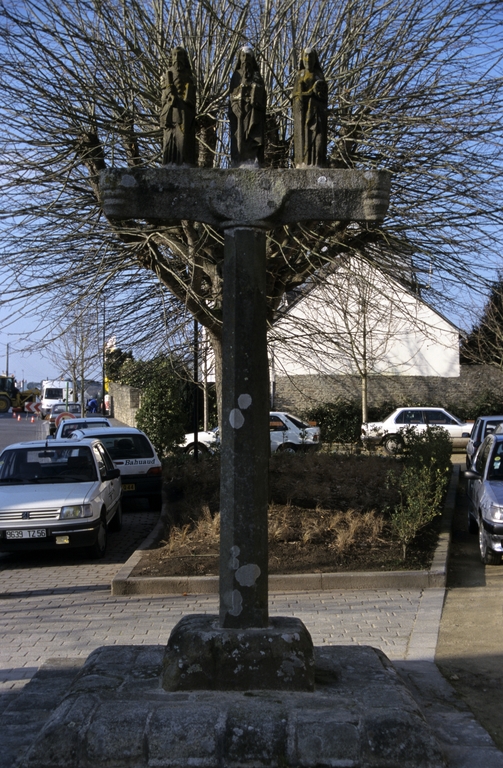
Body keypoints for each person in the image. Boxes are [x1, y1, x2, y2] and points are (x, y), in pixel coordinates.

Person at [229, 46, 267, 166]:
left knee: (253, 136)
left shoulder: (256, 76)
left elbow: (262, 93)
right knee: (239, 138)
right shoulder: (236, 76)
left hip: (253, 111)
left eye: (248, 56)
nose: (246, 59)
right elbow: (232, 94)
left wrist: (255, 89)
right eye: (243, 56)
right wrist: (235, 105)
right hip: (239, 112)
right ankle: (239, 159)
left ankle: (253, 159)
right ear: (240, 58)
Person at [160, 46, 196, 165]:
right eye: (174, 55)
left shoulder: (188, 74)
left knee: (185, 138)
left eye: (179, 55)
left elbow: (191, 92)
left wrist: (187, 96)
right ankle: (171, 161)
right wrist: (169, 95)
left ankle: (184, 161)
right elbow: (164, 94)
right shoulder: (168, 74)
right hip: (171, 110)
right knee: (171, 137)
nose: (177, 58)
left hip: (185, 111)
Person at [293, 48, 328, 167]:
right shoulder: (300, 75)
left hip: (317, 112)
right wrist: (306, 95)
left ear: (315, 59)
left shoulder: (319, 75)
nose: (308, 59)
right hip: (303, 114)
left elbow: (323, 94)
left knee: (318, 138)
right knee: (304, 140)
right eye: (306, 56)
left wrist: (315, 96)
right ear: (302, 59)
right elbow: (296, 96)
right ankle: (304, 161)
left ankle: (317, 162)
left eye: (311, 56)